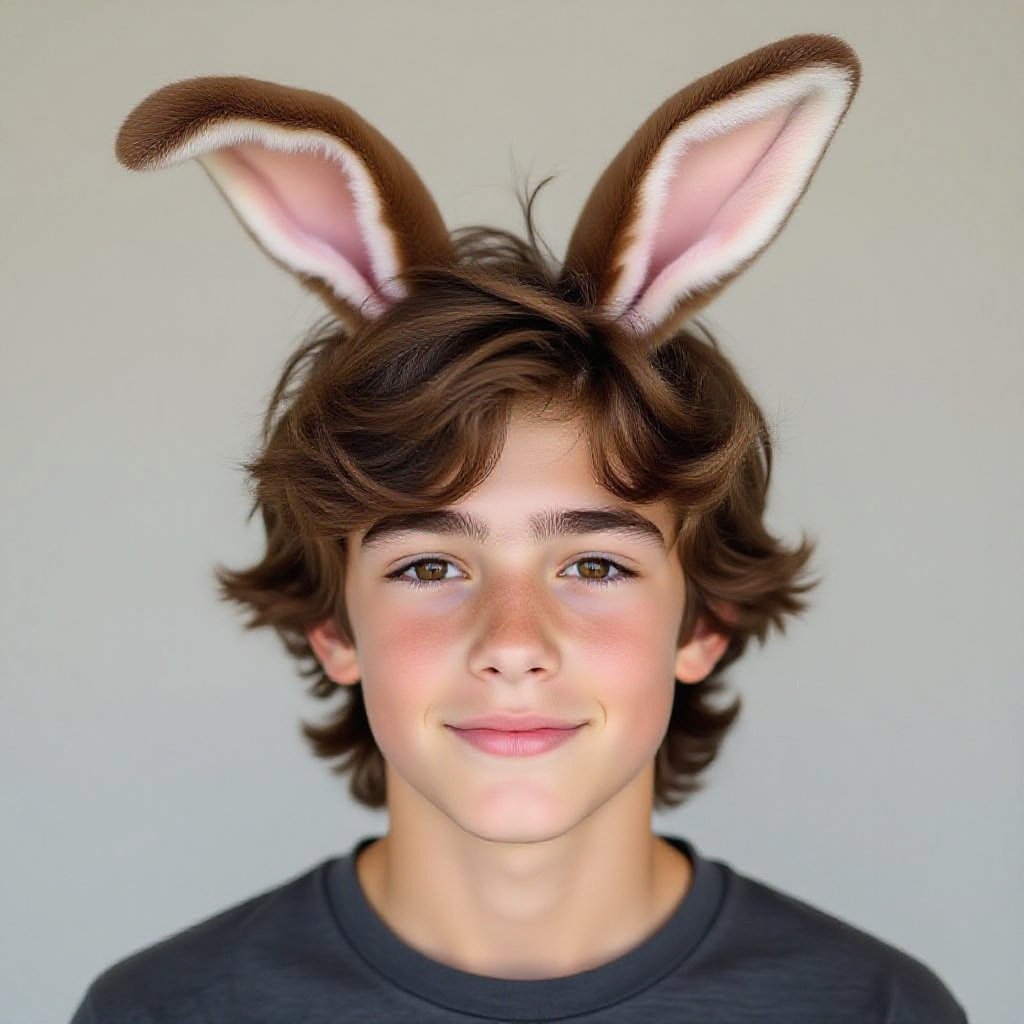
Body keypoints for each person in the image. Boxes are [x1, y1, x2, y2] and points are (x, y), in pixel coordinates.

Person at [70, 32, 969, 1022]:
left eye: (594, 564)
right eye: (427, 567)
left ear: (703, 621)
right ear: (332, 626)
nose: (511, 642)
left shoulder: (877, 1008)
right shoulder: (160, 1011)